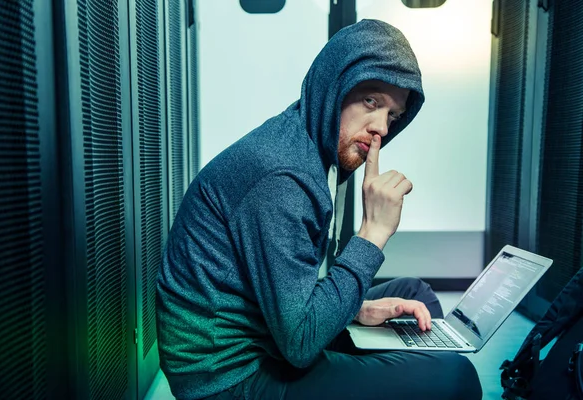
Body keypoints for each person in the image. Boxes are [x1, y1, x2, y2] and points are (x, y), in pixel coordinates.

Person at [156, 19, 483, 400]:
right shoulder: (283, 176)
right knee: (457, 378)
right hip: (230, 375)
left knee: (416, 296)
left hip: (274, 335)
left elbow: (291, 296)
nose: (381, 128)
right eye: (371, 101)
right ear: (334, 88)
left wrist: (358, 311)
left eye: (393, 116)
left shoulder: (307, 146)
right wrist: (373, 233)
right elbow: (299, 343)